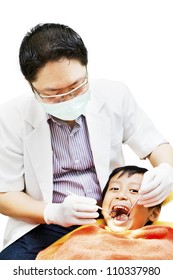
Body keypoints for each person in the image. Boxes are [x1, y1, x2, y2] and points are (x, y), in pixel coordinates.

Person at [0, 23, 173, 260]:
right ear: (30, 83)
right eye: (53, 94)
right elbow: (4, 195)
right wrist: (53, 212)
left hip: (111, 218)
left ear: (86, 66)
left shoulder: (114, 95)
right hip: (43, 223)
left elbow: (155, 145)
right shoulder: (10, 117)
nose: (68, 99)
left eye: (76, 86)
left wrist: (166, 170)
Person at [36, 166, 173, 260]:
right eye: (114, 188)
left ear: (153, 213)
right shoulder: (82, 239)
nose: (121, 195)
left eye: (134, 191)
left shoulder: (164, 244)